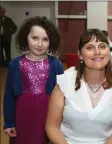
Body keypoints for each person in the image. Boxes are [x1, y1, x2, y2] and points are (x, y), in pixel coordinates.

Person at [45, 29, 112, 144]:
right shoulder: (65, 81)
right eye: (90, 47)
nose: (97, 52)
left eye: (102, 46)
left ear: (109, 51)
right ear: (80, 55)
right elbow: (52, 127)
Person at [3, 16, 64, 144]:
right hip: (22, 116)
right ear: (26, 37)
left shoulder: (56, 64)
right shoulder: (15, 64)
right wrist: (9, 122)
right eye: (35, 38)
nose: (40, 44)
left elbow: (63, 97)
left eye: (45, 39)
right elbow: (9, 96)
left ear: (51, 41)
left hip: (48, 116)